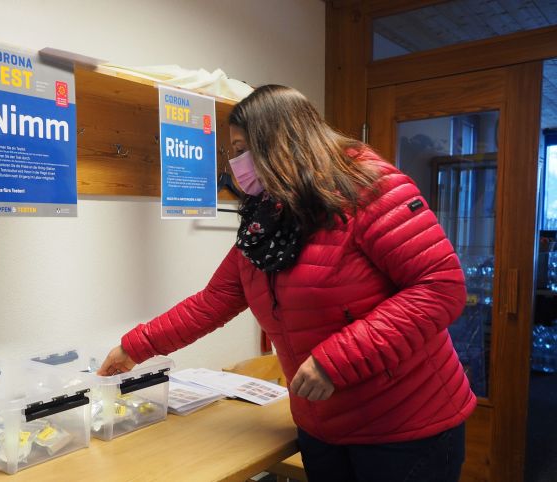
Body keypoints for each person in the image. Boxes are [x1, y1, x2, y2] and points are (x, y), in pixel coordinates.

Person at [98, 85, 476, 482]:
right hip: (322, 428)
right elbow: (215, 299)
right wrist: (134, 347)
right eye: (232, 150)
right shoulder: (269, 216)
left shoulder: (370, 189)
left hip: (406, 426)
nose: (236, 163)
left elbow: (440, 288)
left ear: (282, 142)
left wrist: (335, 362)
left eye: (243, 148)